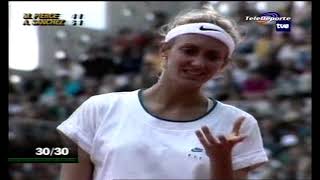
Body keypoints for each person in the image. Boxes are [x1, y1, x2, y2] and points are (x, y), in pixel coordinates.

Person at [56, 5, 268, 180]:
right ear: (165, 51)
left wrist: (221, 161)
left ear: (223, 65)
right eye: (189, 50)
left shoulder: (238, 123)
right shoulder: (99, 108)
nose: (198, 62)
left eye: (212, 56)